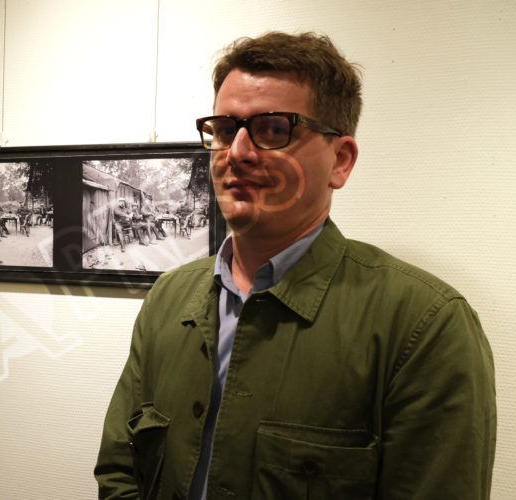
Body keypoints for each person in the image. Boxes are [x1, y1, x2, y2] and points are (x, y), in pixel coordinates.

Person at [95, 32, 496, 500]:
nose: (237, 152)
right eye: (225, 130)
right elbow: (120, 471)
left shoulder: (423, 328)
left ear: (340, 161)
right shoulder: (168, 297)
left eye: (273, 129)